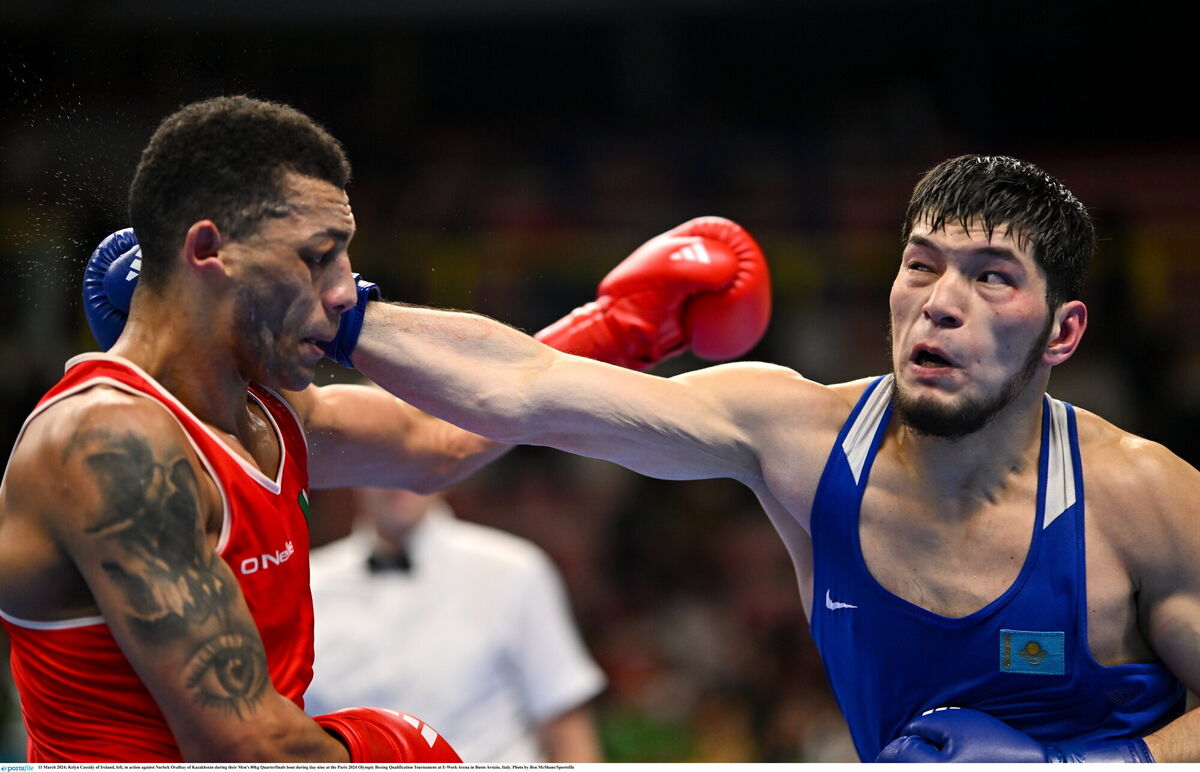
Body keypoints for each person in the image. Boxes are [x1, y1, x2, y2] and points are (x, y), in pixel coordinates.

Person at [300, 155, 1200, 762]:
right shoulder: (800, 439)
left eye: (992, 276)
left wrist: (1095, 766)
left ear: (1064, 330)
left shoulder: (1141, 497)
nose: (940, 303)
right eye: (921, 266)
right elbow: (528, 386)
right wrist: (329, 306)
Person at [0, 95, 771, 762]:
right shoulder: (110, 442)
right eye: (318, 257)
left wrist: (619, 329)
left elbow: (440, 441)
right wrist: (392, 749)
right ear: (208, 249)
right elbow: (244, 749)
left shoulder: (267, 413)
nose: (345, 291)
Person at [306, 487, 606, 762]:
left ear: (442, 463)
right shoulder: (306, 583)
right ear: (349, 469)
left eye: (410, 456)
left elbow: (566, 726)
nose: (395, 476)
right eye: (379, 456)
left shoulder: (514, 571)